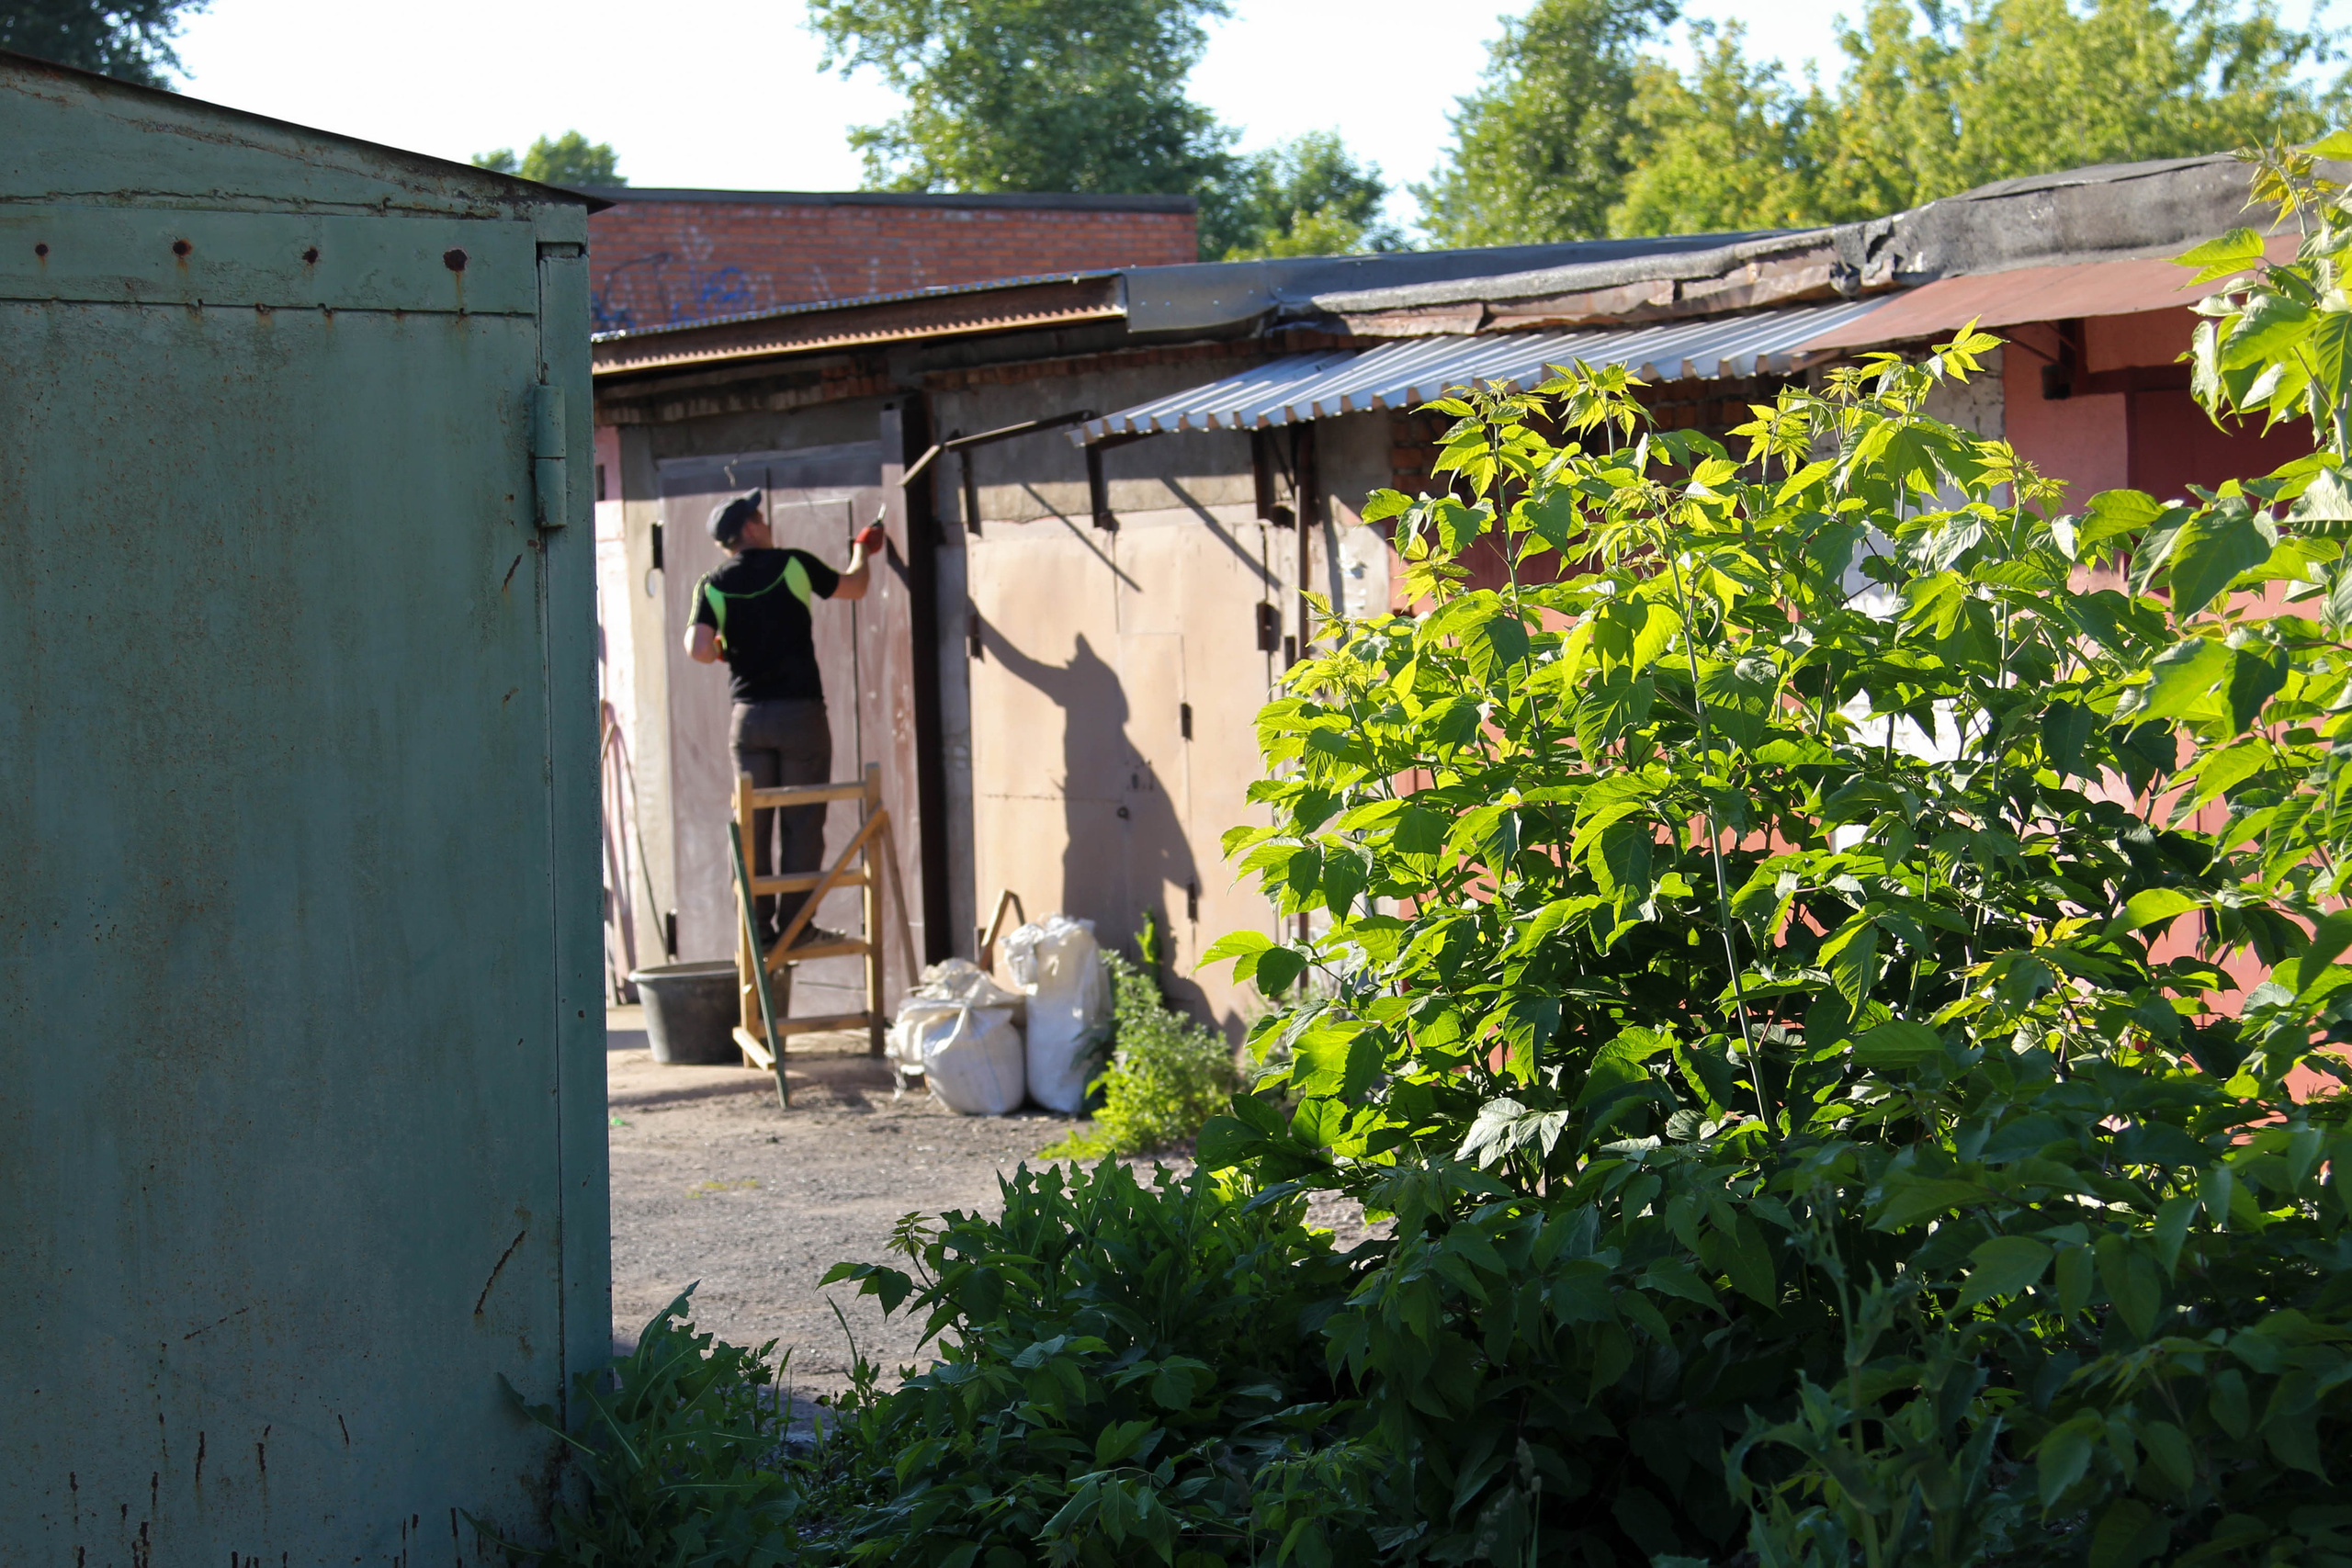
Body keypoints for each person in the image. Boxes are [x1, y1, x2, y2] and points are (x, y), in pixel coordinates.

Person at [685, 491, 884, 952]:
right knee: (803, 824)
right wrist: (862, 549)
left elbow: (698, 648)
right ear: (750, 528)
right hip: (801, 717)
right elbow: (854, 586)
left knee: (751, 825)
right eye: (761, 516)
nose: (767, 522)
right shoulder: (792, 563)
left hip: (749, 720)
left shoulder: (711, 584)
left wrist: (724, 652)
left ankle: (756, 932)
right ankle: (796, 931)